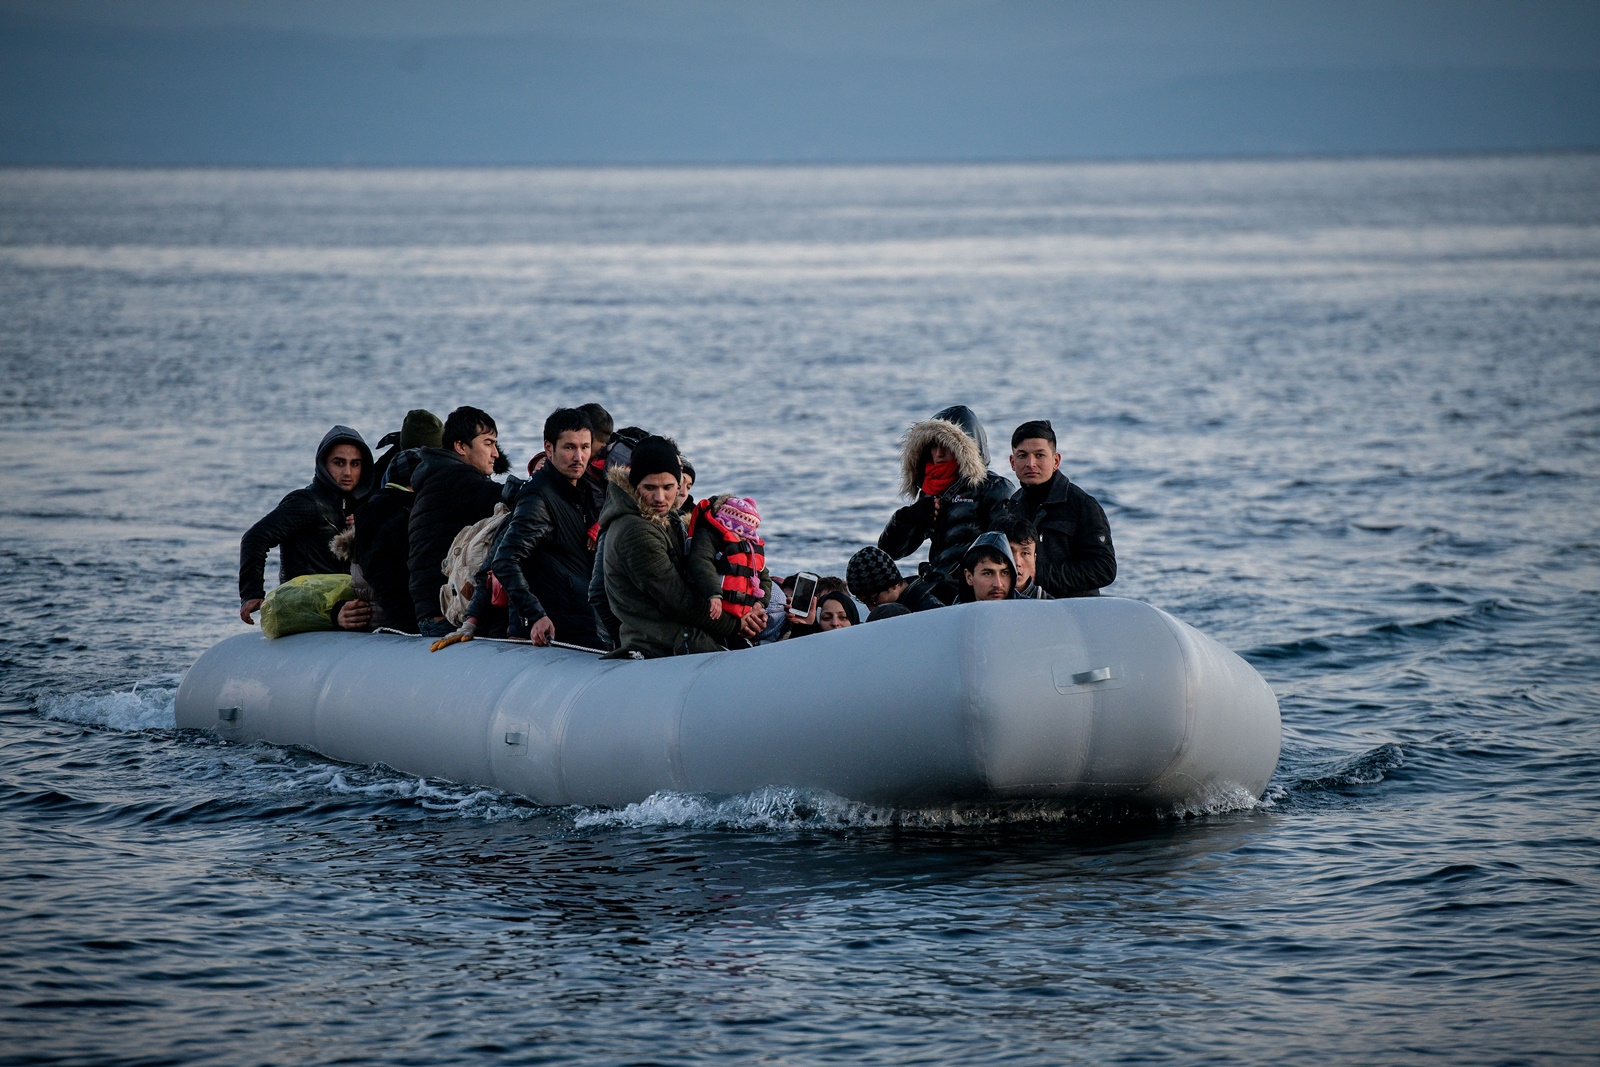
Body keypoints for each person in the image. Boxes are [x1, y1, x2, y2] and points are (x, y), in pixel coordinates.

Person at [599, 435, 764, 658]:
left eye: (668, 487)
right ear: (635, 486)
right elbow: (678, 600)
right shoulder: (634, 531)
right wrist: (736, 625)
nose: (660, 497)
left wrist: (754, 606)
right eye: (650, 487)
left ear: (679, 484)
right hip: (661, 645)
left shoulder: (671, 519)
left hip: (690, 634)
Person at [452, 408, 603, 649]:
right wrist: (536, 615)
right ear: (549, 448)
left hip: (584, 619)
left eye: (584, 447)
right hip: (559, 628)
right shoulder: (539, 497)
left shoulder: (582, 490)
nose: (578, 457)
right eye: (569, 447)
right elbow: (504, 560)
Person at [239, 425, 375, 630]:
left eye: (355, 464)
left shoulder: (359, 508)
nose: (348, 472)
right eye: (339, 463)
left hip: (341, 605)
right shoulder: (306, 502)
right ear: (323, 465)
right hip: (303, 604)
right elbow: (255, 538)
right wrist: (252, 593)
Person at [878, 404, 1014, 601]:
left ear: (966, 449)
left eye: (947, 445)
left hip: (974, 586)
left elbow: (1006, 550)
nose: (939, 453)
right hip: (937, 580)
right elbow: (890, 551)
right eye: (934, 445)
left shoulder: (994, 487)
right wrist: (909, 517)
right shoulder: (930, 490)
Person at [407, 406, 512, 638]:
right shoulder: (457, 479)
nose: (495, 453)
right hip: (446, 616)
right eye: (488, 443)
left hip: (431, 613)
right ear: (461, 447)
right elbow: (510, 496)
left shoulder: (439, 476)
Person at [1006, 419, 1116, 597]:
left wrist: (1039, 574)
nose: (1031, 463)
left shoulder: (1083, 505)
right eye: (1022, 455)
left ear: (1056, 460)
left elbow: (1104, 569)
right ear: (1012, 462)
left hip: (1075, 612)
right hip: (1024, 609)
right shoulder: (1012, 505)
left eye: (1039, 455)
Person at [686, 495, 772, 645]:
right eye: (740, 534)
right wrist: (714, 594)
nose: (743, 539)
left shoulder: (752, 549)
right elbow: (701, 562)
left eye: (748, 535)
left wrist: (761, 603)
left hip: (744, 614)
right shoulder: (708, 538)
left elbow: (764, 578)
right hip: (714, 610)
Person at [845, 545, 946, 616]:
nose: (871, 609)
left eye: (873, 600)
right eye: (863, 602)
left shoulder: (929, 608)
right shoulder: (912, 597)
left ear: (893, 585)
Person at [991, 513, 1053, 600]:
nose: (1017, 563)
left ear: (1034, 559)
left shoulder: (1048, 606)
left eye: (1025, 553)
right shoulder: (971, 601)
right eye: (1009, 552)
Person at [956, 531, 1021, 602]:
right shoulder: (954, 612)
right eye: (988, 573)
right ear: (969, 577)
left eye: (1004, 573)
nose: (998, 584)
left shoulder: (1030, 610)